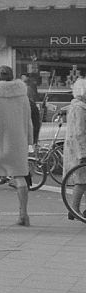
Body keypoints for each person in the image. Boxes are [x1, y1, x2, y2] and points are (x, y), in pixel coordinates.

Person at [0, 66, 33, 226]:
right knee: (20, 177)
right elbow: (28, 121)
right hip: (19, 143)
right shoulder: (22, 96)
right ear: (13, 78)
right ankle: (23, 214)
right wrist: (30, 140)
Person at [63, 78, 86, 220]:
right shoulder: (80, 109)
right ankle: (74, 208)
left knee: (82, 180)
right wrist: (83, 152)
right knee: (82, 181)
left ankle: (74, 209)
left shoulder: (75, 107)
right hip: (80, 150)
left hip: (75, 148)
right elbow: (80, 132)